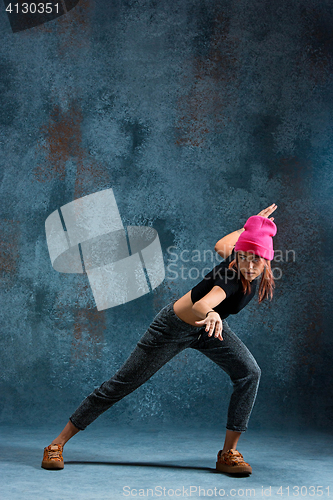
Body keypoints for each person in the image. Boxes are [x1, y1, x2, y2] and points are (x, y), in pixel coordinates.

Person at [42, 204, 277, 474]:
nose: (248, 264)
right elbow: (203, 305)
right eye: (244, 256)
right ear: (239, 255)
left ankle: (229, 453)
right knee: (120, 385)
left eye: (255, 259)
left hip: (207, 329)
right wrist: (211, 313)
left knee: (249, 373)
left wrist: (253, 225)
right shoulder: (231, 276)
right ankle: (56, 445)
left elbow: (221, 243)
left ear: (266, 258)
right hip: (174, 328)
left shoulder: (239, 258)